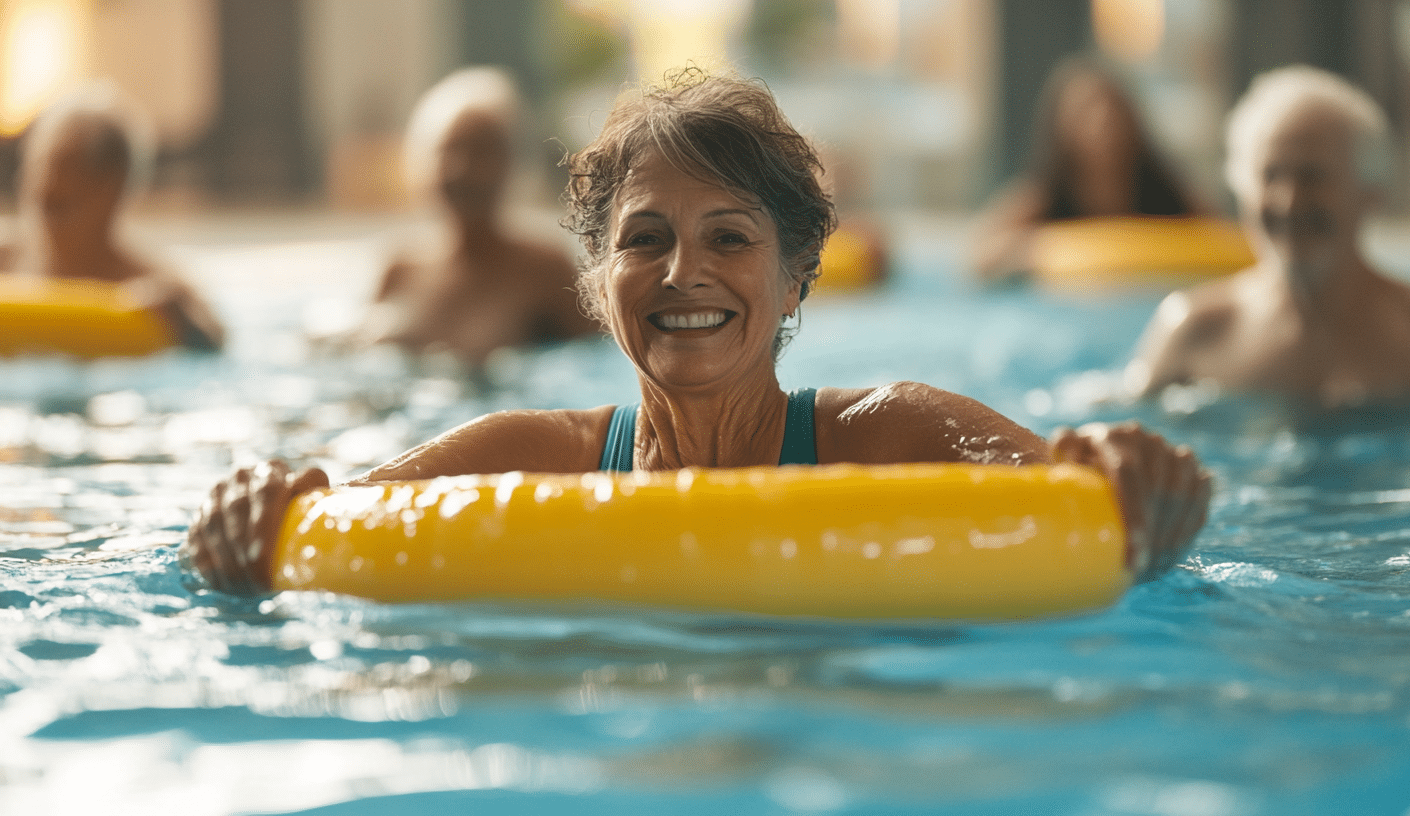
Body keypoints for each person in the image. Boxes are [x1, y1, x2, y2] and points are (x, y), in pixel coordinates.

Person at [187, 69, 1211, 598]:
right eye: (644, 239)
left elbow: (1101, 507)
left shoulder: (902, 434)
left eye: (729, 237)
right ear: (596, 283)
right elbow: (319, 519)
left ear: (795, 274)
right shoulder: (526, 459)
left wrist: (1133, 484)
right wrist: (253, 507)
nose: (684, 274)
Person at [1126, 65, 1410, 407]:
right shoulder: (1194, 331)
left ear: (1372, 192)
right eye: (1270, 175)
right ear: (1241, 190)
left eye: (1312, 176)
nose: (1290, 201)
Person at [348, 68, 597, 366]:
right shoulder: (397, 267)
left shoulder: (545, 271)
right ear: (420, 161)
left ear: (513, 162)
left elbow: (596, 365)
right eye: (449, 150)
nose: (463, 169)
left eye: (483, 151)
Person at [7, 84, 224, 351]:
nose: (45, 182)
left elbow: (217, 344)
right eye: (41, 162)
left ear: (112, 188)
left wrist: (184, 324)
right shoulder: (7, 258)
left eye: (65, 163)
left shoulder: (153, 286)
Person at [974, 58, 1204, 283]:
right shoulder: (1042, 199)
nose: (1104, 118)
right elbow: (978, 256)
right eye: (1087, 108)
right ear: (1061, 126)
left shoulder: (1168, 193)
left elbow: (1225, 241)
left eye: (1113, 106)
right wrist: (1037, 251)